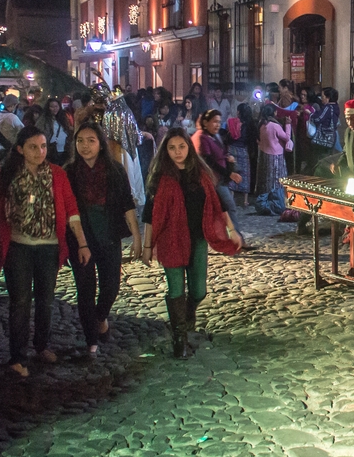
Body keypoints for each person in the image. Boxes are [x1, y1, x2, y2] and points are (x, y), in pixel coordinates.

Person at [0, 126, 90, 377]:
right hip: (18, 246)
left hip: (48, 247)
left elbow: (71, 210)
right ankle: (18, 357)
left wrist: (82, 243)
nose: (40, 152)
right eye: (33, 147)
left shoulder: (57, 174)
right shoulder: (8, 174)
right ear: (20, 149)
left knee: (45, 300)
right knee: (20, 302)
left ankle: (41, 345)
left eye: (43, 146)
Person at [141, 128, 241, 357]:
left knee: (198, 290)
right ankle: (179, 340)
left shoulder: (201, 175)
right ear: (165, 151)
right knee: (176, 288)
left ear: (189, 148)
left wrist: (231, 230)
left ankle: (188, 312)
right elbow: (150, 215)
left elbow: (217, 203)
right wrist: (147, 246)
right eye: (172, 148)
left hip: (197, 239)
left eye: (181, 146)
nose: (177, 152)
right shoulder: (160, 178)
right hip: (170, 240)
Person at [64, 123, 141, 356]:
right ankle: (91, 341)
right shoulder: (69, 172)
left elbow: (127, 204)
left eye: (91, 141)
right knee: (85, 289)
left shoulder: (114, 170)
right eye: (80, 141)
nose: (85, 146)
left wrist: (137, 237)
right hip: (80, 239)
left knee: (111, 287)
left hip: (109, 236)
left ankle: (100, 317)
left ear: (101, 144)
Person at [192, 109, 243, 233]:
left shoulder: (214, 136)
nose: (218, 125)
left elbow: (220, 153)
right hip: (212, 180)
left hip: (219, 179)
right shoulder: (202, 137)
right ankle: (236, 237)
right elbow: (208, 160)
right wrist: (229, 173)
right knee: (229, 207)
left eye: (219, 122)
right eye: (215, 121)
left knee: (224, 209)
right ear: (205, 122)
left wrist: (227, 158)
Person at [256, 104, 290, 198]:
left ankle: (266, 197)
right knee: (276, 179)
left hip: (264, 154)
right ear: (274, 112)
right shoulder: (275, 126)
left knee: (267, 178)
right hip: (276, 156)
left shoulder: (261, 124)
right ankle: (276, 198)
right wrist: (288, 124)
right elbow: (286, 137)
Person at [227, 103, 256, 205]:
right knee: (245, 173)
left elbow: (229, 136)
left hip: (232, 149)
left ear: (239, 112)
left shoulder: (233, 122)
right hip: (243, 150)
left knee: (233, 172)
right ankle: (245, 200)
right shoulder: (250, 124)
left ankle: (231, 197)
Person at [310, 87, 341, 166]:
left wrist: (311, 115)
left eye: (322, 96)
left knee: (320, 159)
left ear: (328, 98)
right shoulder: (336, 106)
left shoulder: (328, 107)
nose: (321, 99)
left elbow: (318, 118)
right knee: (328, 158)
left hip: (324, 138)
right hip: (332, 137)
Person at [44, 97, 73, 165]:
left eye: (56, 106)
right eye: (52, 107)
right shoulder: (45, 120)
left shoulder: (63, 118)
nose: (54, 109)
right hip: (52, 151)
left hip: (64, 150)